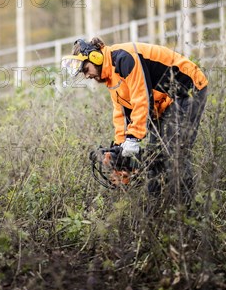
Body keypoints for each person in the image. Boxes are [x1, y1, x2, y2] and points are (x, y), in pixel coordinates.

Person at [62, 37, 208, 202]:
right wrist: (119, 146)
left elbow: (142, 98)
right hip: (163, 104)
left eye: (86, 69)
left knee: (174, 153)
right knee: (155, 158)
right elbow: (121, 113)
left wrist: (133, 138)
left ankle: (186, 211)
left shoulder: (125, 59)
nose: (87, 76)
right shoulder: (111, 76)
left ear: (95, 57)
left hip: (188, 90)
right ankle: (157, 211)